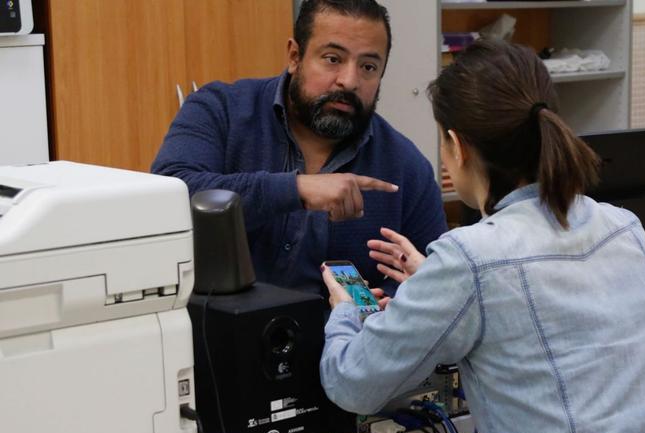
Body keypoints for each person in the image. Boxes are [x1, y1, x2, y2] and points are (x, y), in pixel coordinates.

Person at [320, 40, 645, 433]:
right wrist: (434, 289)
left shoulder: (470, 260)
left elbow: (353, 385)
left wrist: (343, 310)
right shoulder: (621, 224)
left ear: (457, 146)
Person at [152, 0, 446, 295]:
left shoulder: (406, 168)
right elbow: (168, 200)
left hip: (338, 338)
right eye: (333, 59)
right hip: (208, 332)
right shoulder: (220, 110)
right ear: (295, 56)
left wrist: (389, 306)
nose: (349, 80)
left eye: (368, 66)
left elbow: (433, 283)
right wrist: (297, 190)